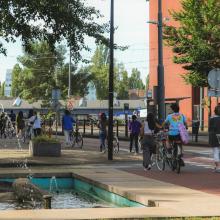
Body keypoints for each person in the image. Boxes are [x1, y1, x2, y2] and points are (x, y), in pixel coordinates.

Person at [209, 105, 220, 172]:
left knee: (216, 151)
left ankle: (217, 167)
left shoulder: (212, 118)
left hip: (214, 136)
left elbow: (210, 129)